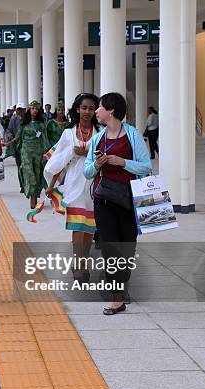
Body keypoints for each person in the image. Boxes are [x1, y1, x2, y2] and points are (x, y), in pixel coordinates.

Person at [84, 92, 151, 315]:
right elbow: (86, 171)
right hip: (104, 200)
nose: (96, 111)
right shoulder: (97, 138)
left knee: (127, 245)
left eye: (99, 107)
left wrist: (122, 162)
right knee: (111, 246)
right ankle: (116, 297)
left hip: (129, 199)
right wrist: (97, 164)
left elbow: (145, 166)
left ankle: (122, 286)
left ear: (111, 110)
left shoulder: (132, 135)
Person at [44, 93, 100, 283]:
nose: (87, 112)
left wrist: (87, 152)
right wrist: (51, 185)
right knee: (77, 226)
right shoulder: (68, 133)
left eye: (91, 108)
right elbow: (59, 159)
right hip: (74, 183)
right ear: (77, 109)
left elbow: (105, 155)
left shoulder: (100, 133)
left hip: (94, 184)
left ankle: (83, 261)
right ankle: (79, 266)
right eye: (84, 108)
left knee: (89, 229)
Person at [9, 100, 48, 209]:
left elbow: (44, 138)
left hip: (38, 151)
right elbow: (17, 137)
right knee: (28, 172)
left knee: (37, 173)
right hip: (26, 151)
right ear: (29, 110)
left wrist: (47, 152)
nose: (35, 110)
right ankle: (32, 196)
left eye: (36, 109)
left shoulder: (41, 124)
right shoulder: (23, 123)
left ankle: (35, 194)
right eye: (32, 108)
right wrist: (8, 143)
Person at [4, 104, 26, 192]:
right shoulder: (13, 119)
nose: (20, 112)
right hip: (17, 148)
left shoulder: (28, 119)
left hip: (27, 147)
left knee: (27, 167)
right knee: (20, 166)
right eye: (18, 110)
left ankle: (27, 184)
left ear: (25, 110)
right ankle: (22, 185)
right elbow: (9, 130)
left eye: (22, 110)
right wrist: (10, 136)